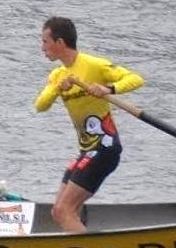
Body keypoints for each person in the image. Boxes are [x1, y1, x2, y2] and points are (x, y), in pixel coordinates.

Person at [35, 16, 146, 232]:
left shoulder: (93, 65)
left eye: (45, 41)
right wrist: (58, 88)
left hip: (105, 148)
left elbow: (136, 79)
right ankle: (81, 243)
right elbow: (40, 105)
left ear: (60, 42)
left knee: (63, 210)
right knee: (58, 211)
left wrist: (108, 89)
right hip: (87, 151)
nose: (42, 48)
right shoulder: (57, 75)